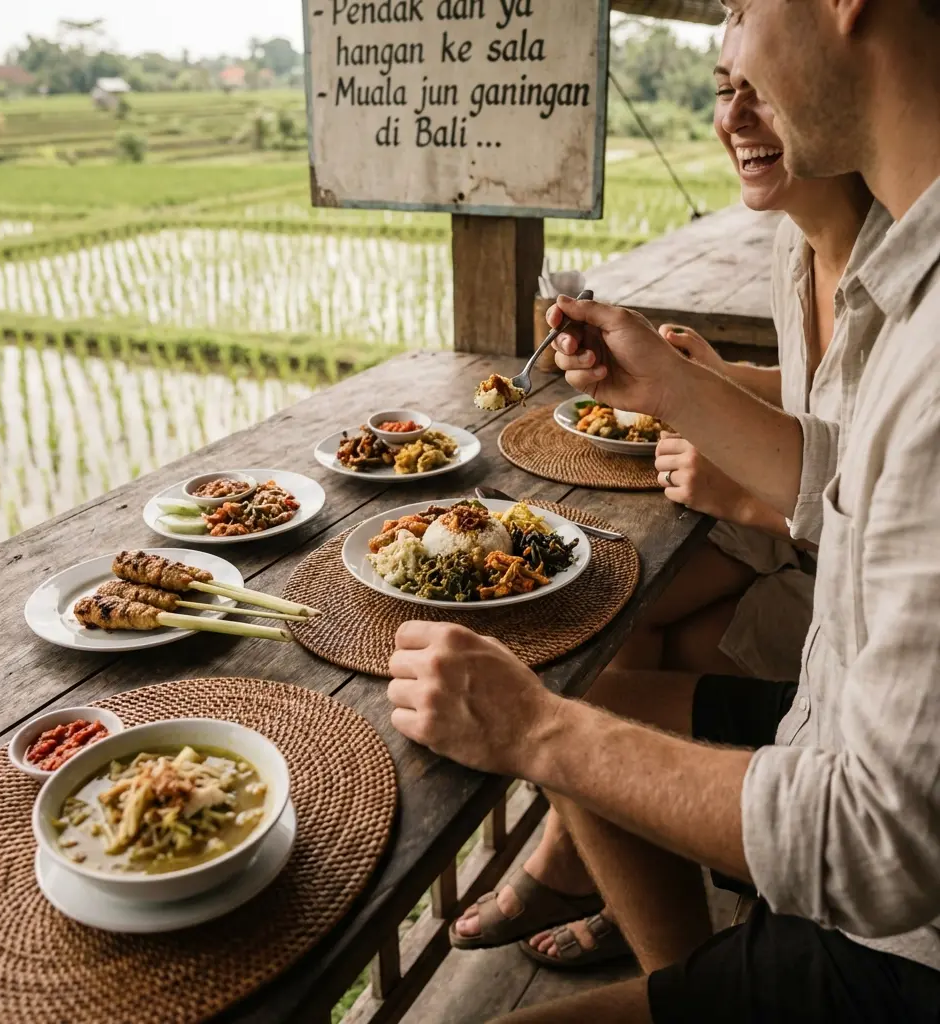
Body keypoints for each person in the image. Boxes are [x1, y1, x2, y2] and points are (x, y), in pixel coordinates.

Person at [389, 0, 940, 1020]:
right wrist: (674, 389)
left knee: (600, 661)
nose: (727, 59)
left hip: (900, 946)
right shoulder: (901, 276)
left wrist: (536, 732)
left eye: (735, 10)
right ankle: (674, 969)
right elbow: (863, 487)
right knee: (616, 650)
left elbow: (880, 847)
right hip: (828, 742)